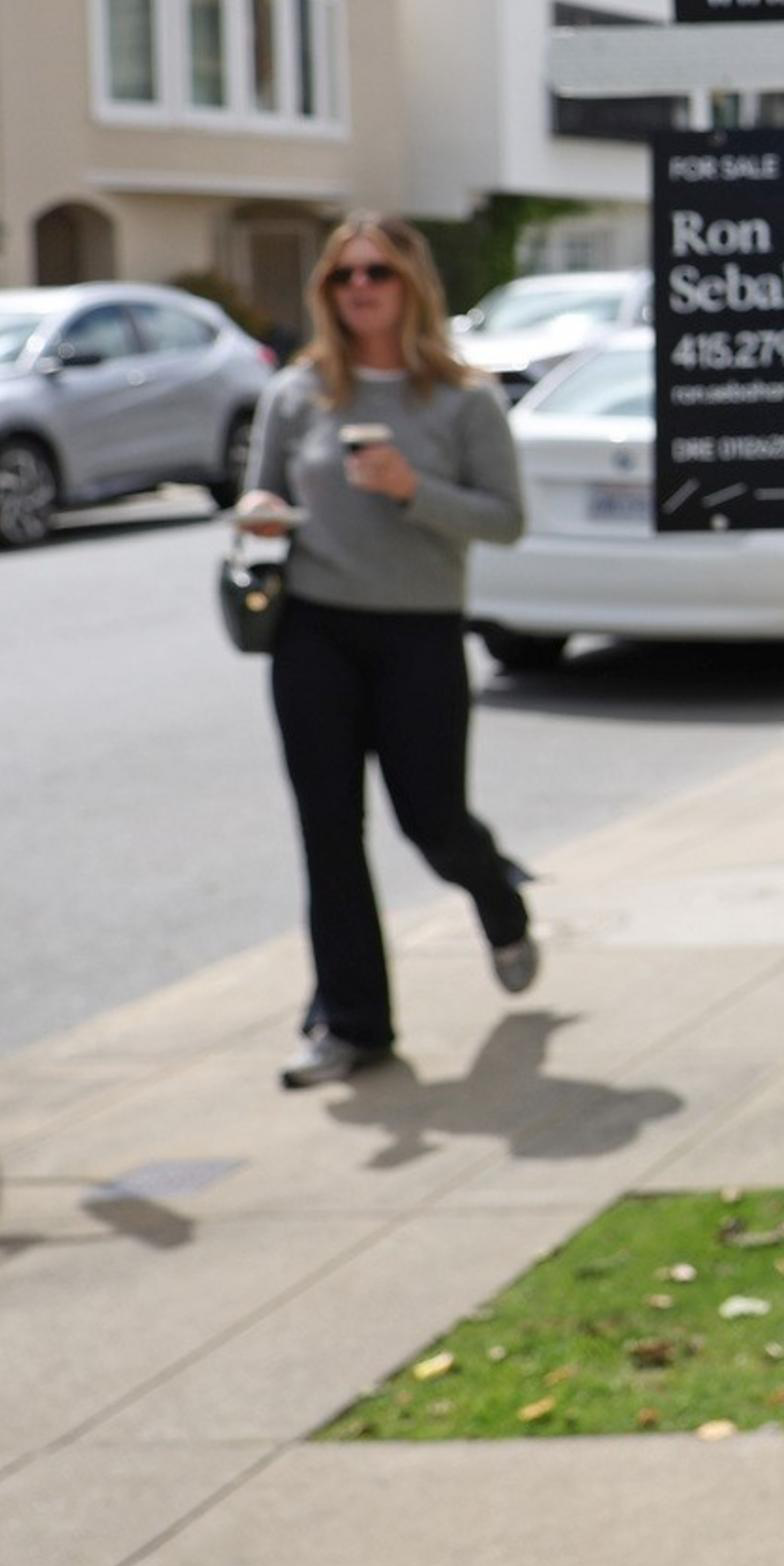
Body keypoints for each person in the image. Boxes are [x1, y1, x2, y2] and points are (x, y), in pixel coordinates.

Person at [233, 213, 539, 1089]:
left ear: (412, 285)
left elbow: (507, 521)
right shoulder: (298, 394)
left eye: (375, 273)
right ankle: (352, 1021)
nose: (358, 288)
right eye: (342, 276)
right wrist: (260, 514)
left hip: (418, 632)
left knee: (432, 820)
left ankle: (496, 896)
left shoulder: (463, 399)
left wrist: (414, 490)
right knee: (329, 831)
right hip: (315, 629)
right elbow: (263, 487)